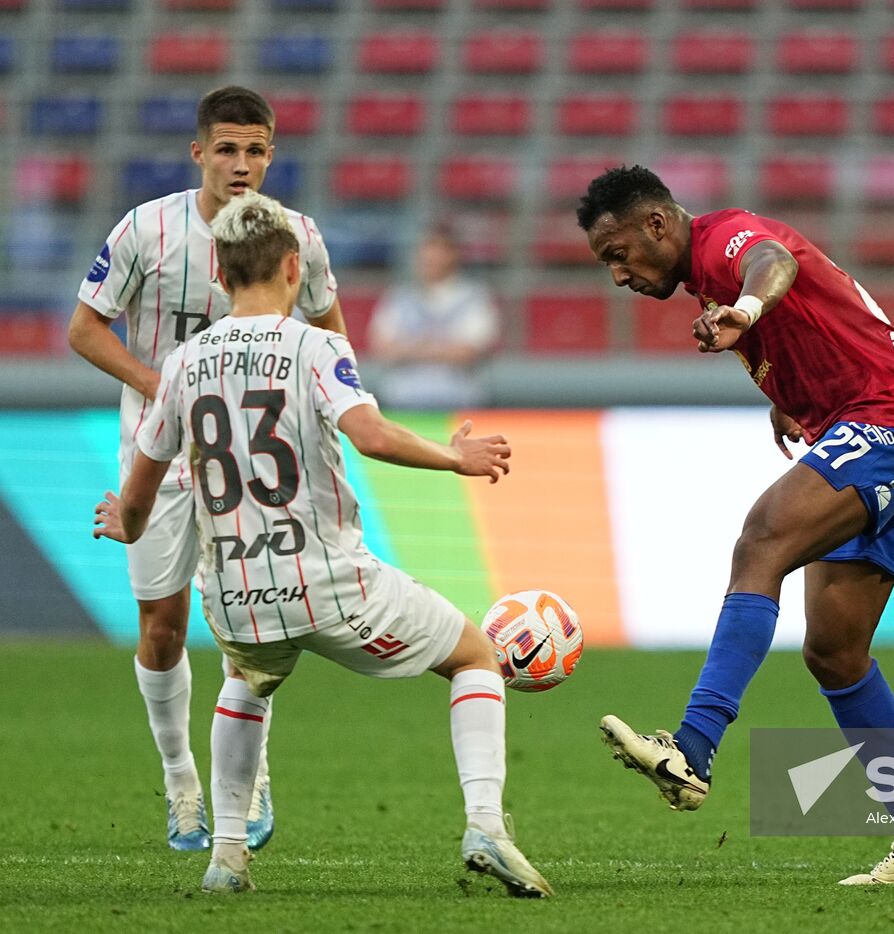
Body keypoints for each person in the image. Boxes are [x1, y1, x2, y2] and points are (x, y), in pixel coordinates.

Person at [91, 192, 550, 897]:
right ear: (291, 266)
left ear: (218, 273)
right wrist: (454, 457)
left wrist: (126, 520)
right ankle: (486, 823)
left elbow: (144, 487)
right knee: (474, 654)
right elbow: (367, 433)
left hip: (237, 593)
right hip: (327, 580)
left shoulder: (183, 363)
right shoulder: (317, 346)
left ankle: (227, 856)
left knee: (247, 678)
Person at [578, 166, 894, 885]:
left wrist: (749, 311)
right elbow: (818, 317)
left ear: (658, 224)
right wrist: (789, 394)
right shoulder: (707, 279)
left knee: (761, 542)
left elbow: (773, 263)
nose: (618, 274)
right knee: (834, 653)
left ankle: (693, 745)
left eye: (620, 253)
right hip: (872, 422)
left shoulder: (727, 244)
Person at [67, 85, 349, 852]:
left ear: (271, 155)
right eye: (227, 149)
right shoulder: (145, 230)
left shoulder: (297, 236)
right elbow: (84, 329)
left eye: (256, 149)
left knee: (249, 625)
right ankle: (179, 780)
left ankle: (245, 776)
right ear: (199, 154)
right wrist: (166, 387)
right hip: (157, 456)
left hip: (249, 461)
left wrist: (331, 411)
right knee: (161, 625)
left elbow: (329, 328)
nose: (242, 164)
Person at [369, 228, 501, 409]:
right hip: (403, 405)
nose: (431, 261)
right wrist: (441, 348)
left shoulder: (474, 298)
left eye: (438, 255)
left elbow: (467, 352)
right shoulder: (399, 297)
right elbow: (384, 349)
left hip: (458, 405)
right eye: (426, 255)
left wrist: (410, 348)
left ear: (453, 256)